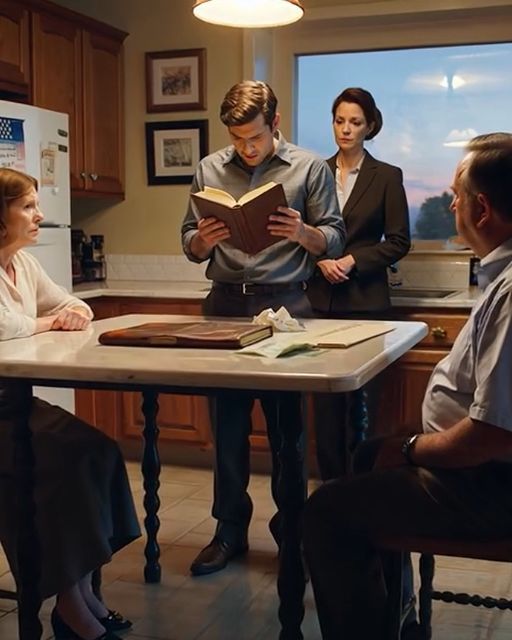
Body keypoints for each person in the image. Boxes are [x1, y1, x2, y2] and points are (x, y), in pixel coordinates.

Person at [303, 132, 512, 639]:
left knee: (326, 512)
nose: (453, 204)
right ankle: (397, 617)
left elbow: (492, 437)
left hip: (490, 484)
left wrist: (412, 448)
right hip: (485, 470)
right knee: (366, 453)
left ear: (482, 209)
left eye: (458, 196)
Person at [181, 80, 345, 576]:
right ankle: (228, 530)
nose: (246, 148)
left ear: (275, 123)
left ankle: (291, 530)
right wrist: (203, 240)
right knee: (227, 430)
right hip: (224, 306)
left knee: (287, 433)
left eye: (254, 137)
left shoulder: (310, 167)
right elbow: (189, 243)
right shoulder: (209, 169)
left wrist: (302, 232)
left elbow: (335, 238)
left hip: (286, 309)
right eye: (237, 139)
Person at [0, 168, 141, 640]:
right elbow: (5, 327)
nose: (39, 215)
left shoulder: (23, 264)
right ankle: (72, 607)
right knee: (60, 469)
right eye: (27, 206)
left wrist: (71, 313)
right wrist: (47, 323)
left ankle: (79, 595)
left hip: (15, 402)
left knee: (97, 451)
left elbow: (75, 306)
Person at [307, 87, 411, 481]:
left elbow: (399, 241)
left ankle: (362, 487)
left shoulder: (387, 176)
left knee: (363, 406)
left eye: (355, 122)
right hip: (320, 304)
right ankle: (331, 488)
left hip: (367, 304)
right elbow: (298, 234)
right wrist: (319, 260)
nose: (345, 129)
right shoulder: (314, 172)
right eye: (339, 121)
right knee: (324, 407)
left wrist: (353, 260)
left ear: (370, 126)